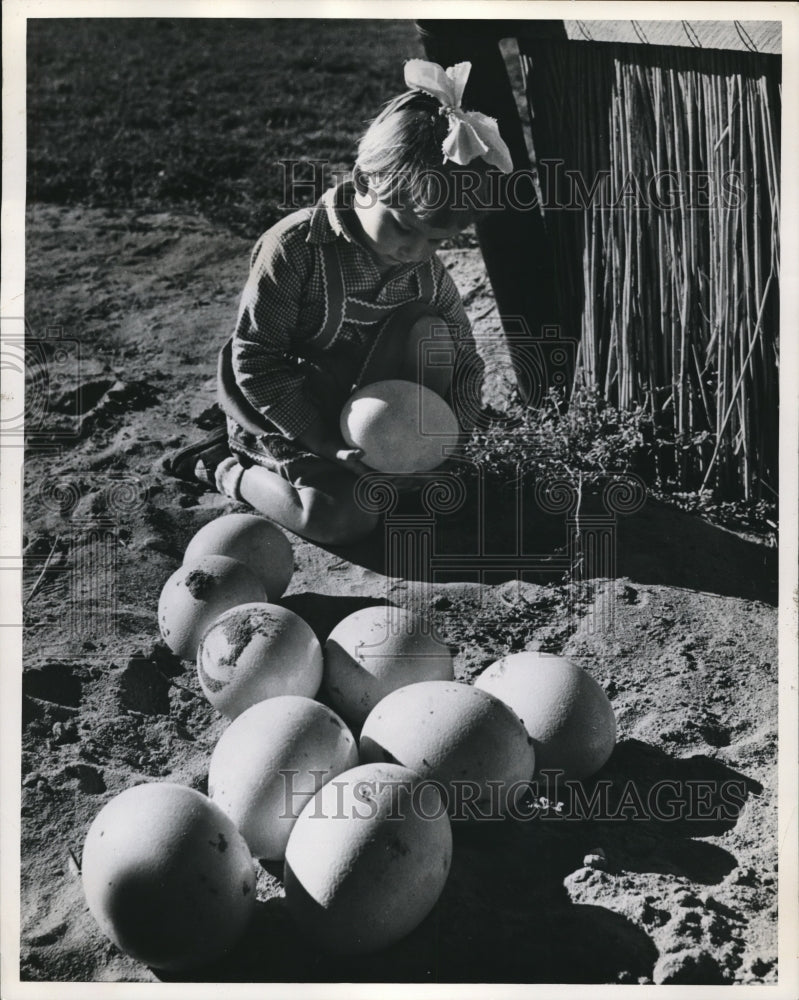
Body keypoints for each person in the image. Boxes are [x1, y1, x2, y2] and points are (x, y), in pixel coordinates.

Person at [164, 59, 513, 545]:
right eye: (405, 228)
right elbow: (258, 360)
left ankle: (404, 468)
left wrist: (450, 440)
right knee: (340, 519)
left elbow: (466, 360)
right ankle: (221, 466)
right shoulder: (296, 248)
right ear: (367, 181)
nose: (415, 252)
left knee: (431, 330)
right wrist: (325, 445)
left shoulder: (423, 272)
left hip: (367, 407)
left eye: (436, 242)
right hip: (290, 405)